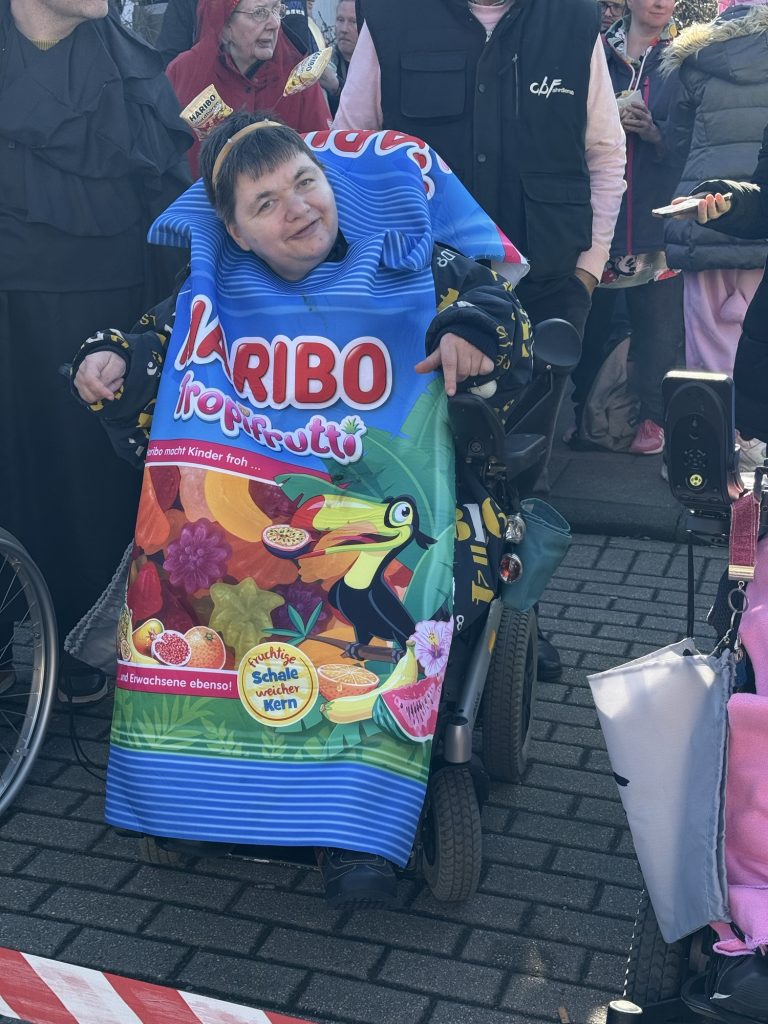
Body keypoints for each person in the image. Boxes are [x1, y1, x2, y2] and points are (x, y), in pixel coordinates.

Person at [71, 113, 534, 903]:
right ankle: (194, 796)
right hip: (268, 520)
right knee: (185, 586)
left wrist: (473, 333)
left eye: (305, 183)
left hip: (401, 509)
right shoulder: (210, 292)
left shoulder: (413, 259)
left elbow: (502, 312)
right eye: (266, 203)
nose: (297, 209)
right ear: (235, 232)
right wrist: (109, 361)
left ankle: (357, 829)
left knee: (380, 617)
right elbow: (154, 353)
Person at [0, 0, 191, 703]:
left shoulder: (138, 73)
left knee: (88, 493)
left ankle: (81, 650)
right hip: (5, 317)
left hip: (103, 331)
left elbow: (172, 222)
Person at [573, 0, 685, 458]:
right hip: (601, 220)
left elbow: (698, 138)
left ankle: (654, 420)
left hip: (659, 220)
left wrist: (657, 134)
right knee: (590, 329)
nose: (660, 2)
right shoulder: (596, 50)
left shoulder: (685, 56)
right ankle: (587, 417)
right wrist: (601, 127)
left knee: (659, 333)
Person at [663, 0, 768, 471]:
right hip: (749, 227)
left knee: (707, 349)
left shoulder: (695, 57)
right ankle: (750, 453)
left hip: (705, 221)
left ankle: (707, 454)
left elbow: (675, 142)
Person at [166, 0, 330, 175]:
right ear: (225, 25)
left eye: (277, 10)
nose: (274, 24)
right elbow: (169, 159)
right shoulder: (183, 73)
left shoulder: (297, 74)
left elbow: (323, 156)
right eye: (259, 13)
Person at [327, 0, 358, 116]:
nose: (344, 29)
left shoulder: (377, 68)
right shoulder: (324, 64)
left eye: (353, 21)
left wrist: (337, 87)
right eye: (340, 20)